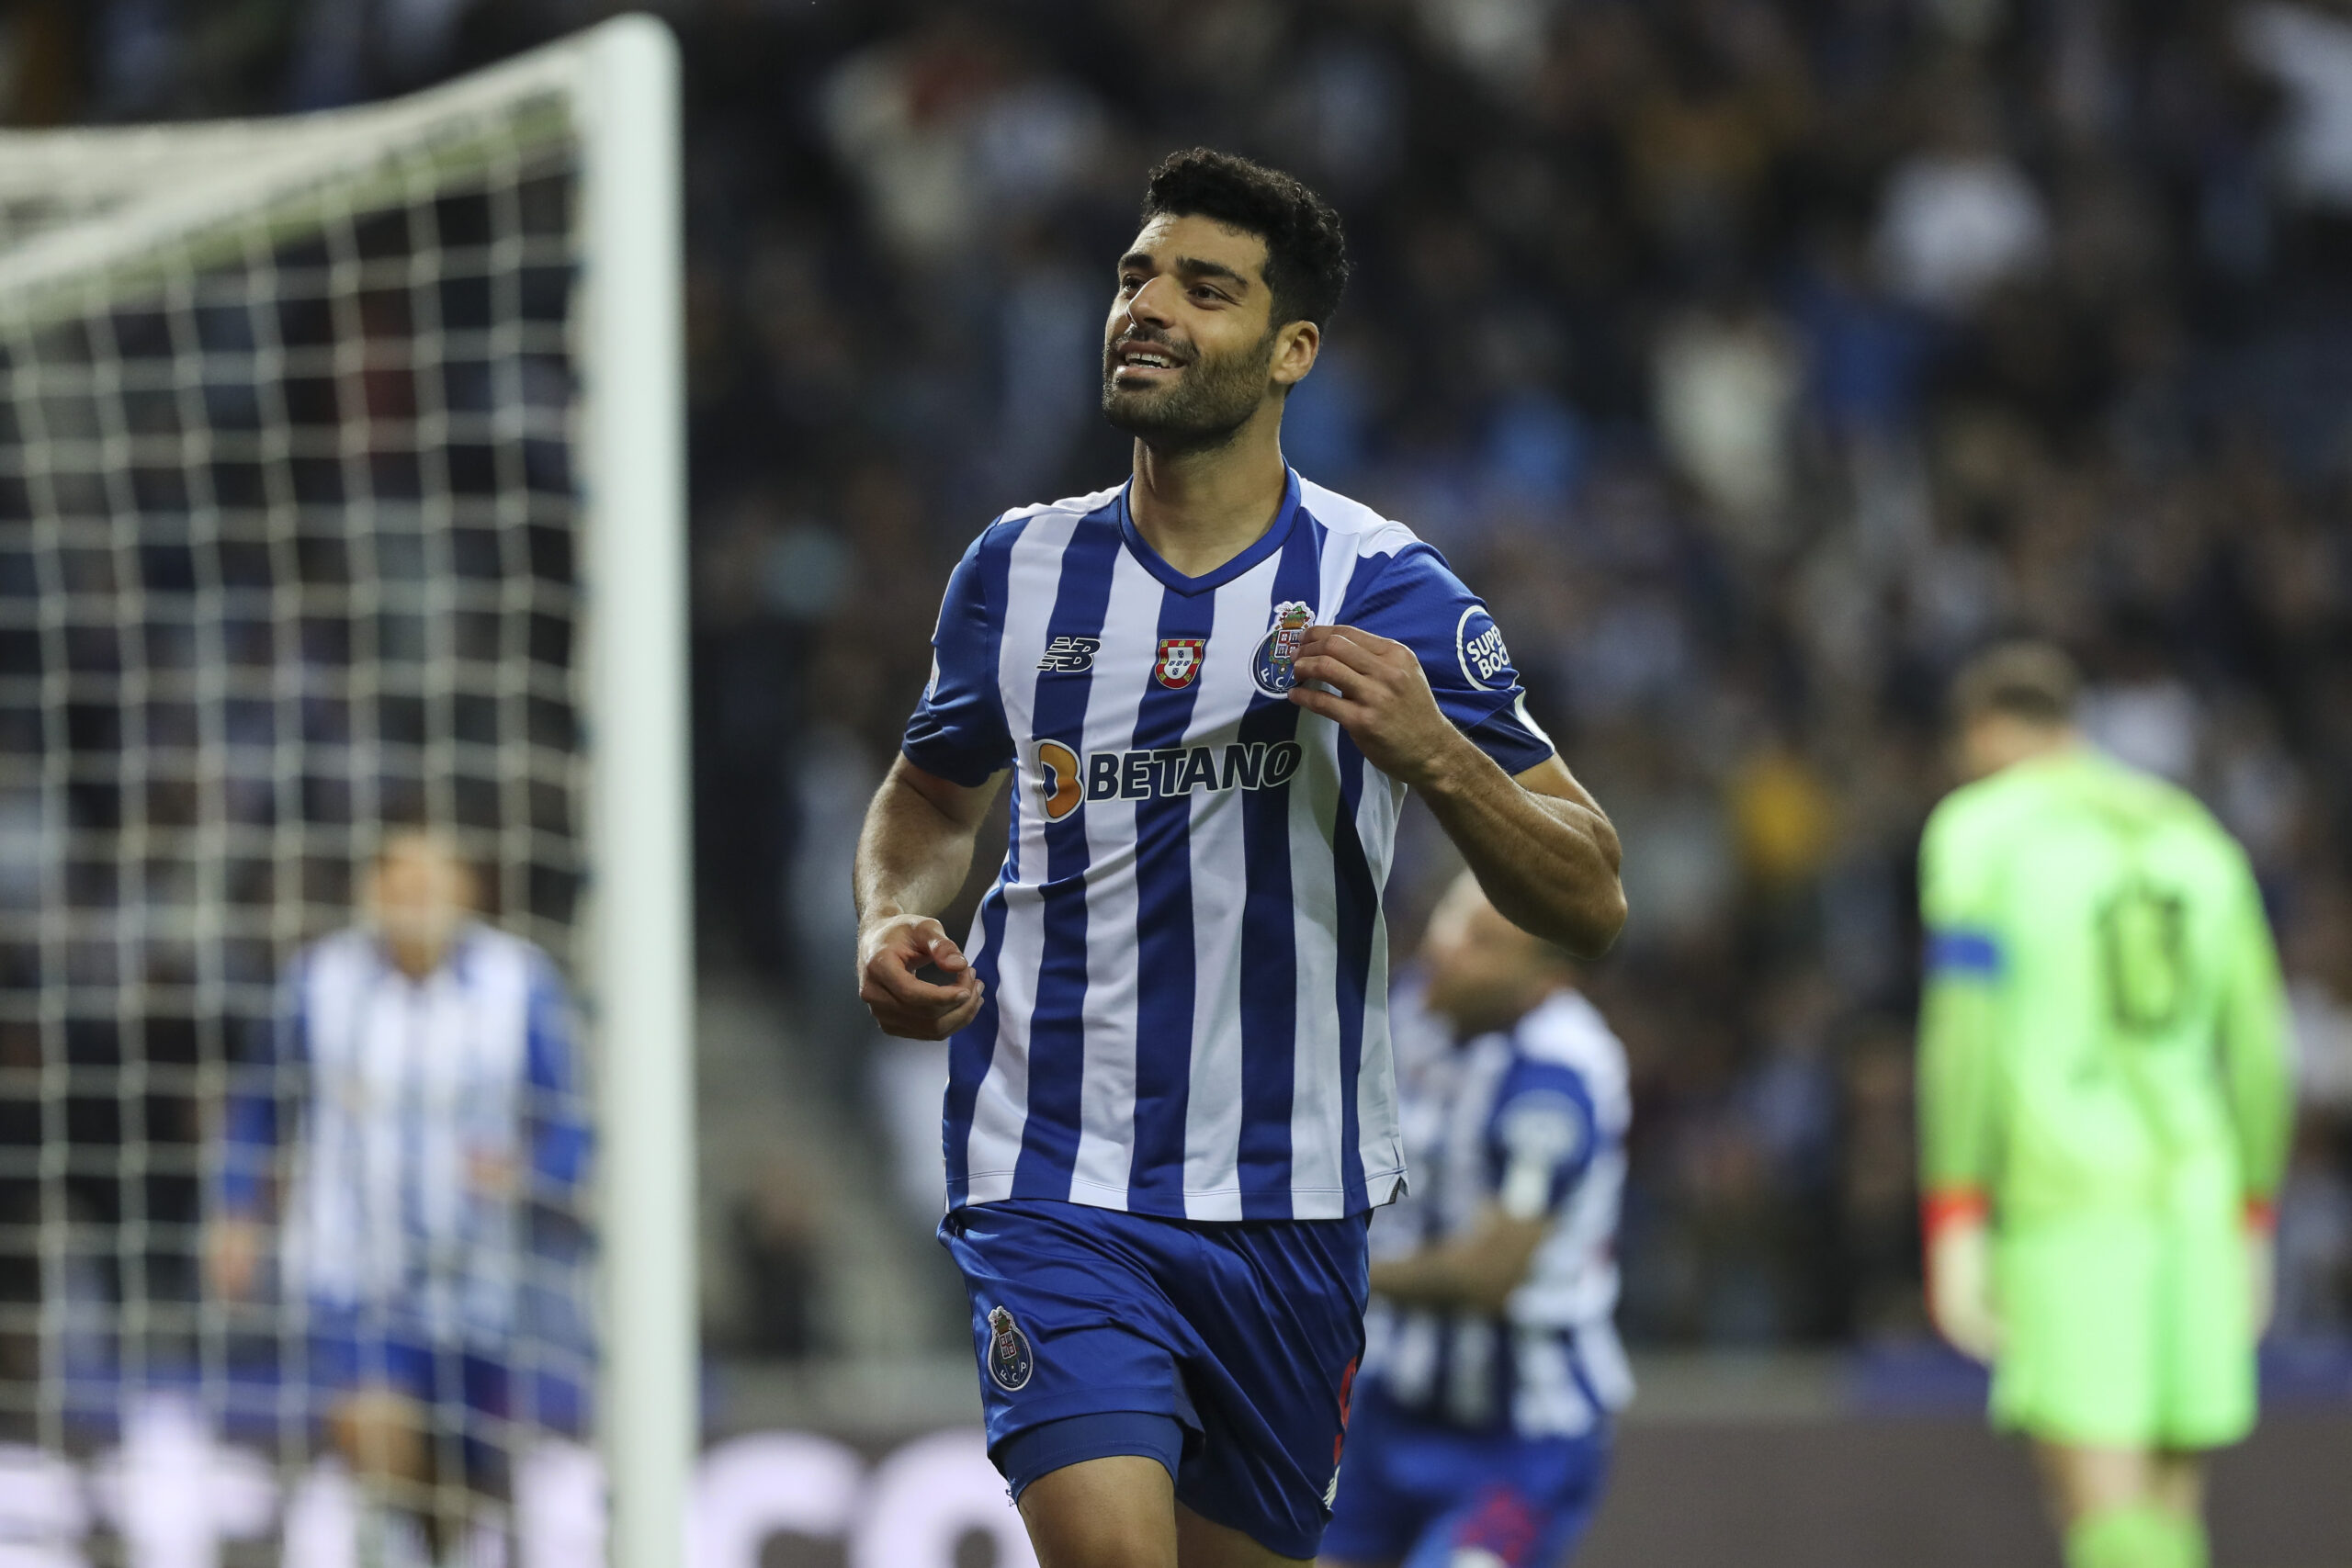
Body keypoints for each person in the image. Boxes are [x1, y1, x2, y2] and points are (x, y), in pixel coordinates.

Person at [853, 147, 1626, 1568]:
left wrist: (1436, 753)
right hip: (1056, 1178)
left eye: (1205, 289)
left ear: (1291, 350)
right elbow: (931, 796)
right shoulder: (1017, 570)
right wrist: (887, 916)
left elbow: (1589, 891)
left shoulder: (1381, 586)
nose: (1148, 306)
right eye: (1137, 274)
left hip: (1291, 1204)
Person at [1917, 643, 2294, 1568]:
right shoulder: (2198, 837)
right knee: (2168, 1515)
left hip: (2070, 1200)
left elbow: (1962, 1034)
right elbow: (2258, 1051)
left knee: (2104, 1519)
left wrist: (1953, 1208)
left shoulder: (1980, 830)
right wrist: (2252, 1211)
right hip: (2198, 1196)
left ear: (1981, 736)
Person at [209, 829, 592, 1568]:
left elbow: (569, 1126)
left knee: (459, 1494)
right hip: (354, 1270)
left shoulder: (520, 983)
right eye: (397, 879)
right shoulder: (319, 981)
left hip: (481, 1289)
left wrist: (525, 1170)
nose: (412, 897)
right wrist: (235, 1210)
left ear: (465, 893)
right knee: (375, 1434)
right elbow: (258, 1105)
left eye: (430, 880)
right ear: (372, 890)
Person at [1319, 871, 1632, 1568]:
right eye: (1452, 920)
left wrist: (1326, 1266)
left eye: (1485, 944)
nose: (1447, 948)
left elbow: (1490, 1272)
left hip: (1519, 1433)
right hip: (1387, 1407)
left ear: (1543, 983)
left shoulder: (1557, 1075)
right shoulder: (1407, 1011)